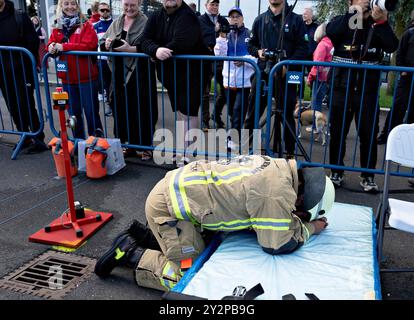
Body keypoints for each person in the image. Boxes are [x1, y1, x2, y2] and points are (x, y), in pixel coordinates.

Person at [95, 155, 335, 291]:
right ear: (304, 201)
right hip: (170, 213)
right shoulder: (274, 193)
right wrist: (312, 228)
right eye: (304, 212)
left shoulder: (279, 168)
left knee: (201, 248)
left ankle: (144, 235)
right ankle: (131, 253)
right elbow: (277, 243)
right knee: (189, 276)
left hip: (175, 199)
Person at [326, 0, 398, 192]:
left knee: (368, 134)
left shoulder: (376, 24)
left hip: (367, 91)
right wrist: (354, 13)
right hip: (342, 88)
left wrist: (382, 22)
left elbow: (392, 46)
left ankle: (368, 176)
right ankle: (336, 172)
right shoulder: (346, 20)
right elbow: (331, 32)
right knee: (338, 132)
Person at [140, 0, 208, 165]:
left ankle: (188, 155)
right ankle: (182, 151)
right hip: (172, 75)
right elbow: (145, 40)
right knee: (180, 113)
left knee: (188, 113)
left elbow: (181, 43)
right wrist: (156, 50)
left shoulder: (188, 16)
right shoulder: (157, 15)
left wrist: (157, 52)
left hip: (193, 73)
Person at [244, 0, 308, 157]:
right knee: (253, 111)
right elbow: (251, 45)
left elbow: (304, 48)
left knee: (286, 114)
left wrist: (288, 63)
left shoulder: (296, 20)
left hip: (286, 75)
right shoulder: (260, 19)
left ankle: (290, 153)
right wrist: (258, 52)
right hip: (263, 73)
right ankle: (247, 147)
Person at [101, 0, 158, 160]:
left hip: (141, 73)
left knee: (142, 110)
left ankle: (145, 147)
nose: (129, 8)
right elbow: (102, 43)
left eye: (132, 5)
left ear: (138, 4)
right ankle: (127, 145)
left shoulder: (146, 22)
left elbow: (150, 45)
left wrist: (129, 49)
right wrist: (105, 44)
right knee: (121, 110)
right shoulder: (117, 22)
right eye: (126, 5)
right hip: (119, 74)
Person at [48, 0, 103, 140]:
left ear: (77, 6)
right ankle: (78, 143)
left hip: (87, 78)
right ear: (61, 6)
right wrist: (51, 46)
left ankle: (95, 144)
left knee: (91, 113)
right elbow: (51, 41)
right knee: (73, 115)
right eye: (66, 4)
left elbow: (89, 45)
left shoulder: (86, 25)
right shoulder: (57, 25)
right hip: (67, 79)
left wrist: (64, 47)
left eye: (73, 3)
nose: (70, 7)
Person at [0, 0, 48, 153]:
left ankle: (37, 138)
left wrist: (22, 61)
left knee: (26, 103)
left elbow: (32, 42)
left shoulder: (19, 17)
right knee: (12, 106)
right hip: (2, 72)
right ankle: (24, 136)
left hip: (22, 70)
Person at [214, 7, 256, 134]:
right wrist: (221, 36)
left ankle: (233, 139)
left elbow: (256, 56)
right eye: (232, 17)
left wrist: (244, 60)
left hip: (245, 82)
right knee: (232, 111)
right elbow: (219, 55)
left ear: (242, 18)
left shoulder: (250, 34)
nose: (235, 19)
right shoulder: (226, 36)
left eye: (237, 16)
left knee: (238, 110)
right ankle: (237, 134)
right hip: (229, 82)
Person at [377, 10, 414, 145]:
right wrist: (402, 70)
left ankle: (408, 140)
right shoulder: (409, 33)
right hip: (407, 77)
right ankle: (386, 135)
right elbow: (399, 53)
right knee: (398, 106)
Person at [199, 0, 229, 130]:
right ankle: (204, 121)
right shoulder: (199, 20)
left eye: (217, 5)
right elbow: (198, 37)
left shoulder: (223, 20)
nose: (214, 7)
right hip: (205, 60)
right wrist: (214, 31)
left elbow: (227, 35)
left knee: (225, 91)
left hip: (220, 61)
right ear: (206, 5)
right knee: (204, 93)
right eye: (212, 4)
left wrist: (219, 32)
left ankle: (216, 114)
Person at [306, 23, 333, 112]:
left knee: (316, 102)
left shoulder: (322, 45)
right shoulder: (332, 43)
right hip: (330, 78)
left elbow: (317, 65)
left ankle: (315, 125)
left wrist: (310, 78)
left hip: (320, 78)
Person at [94, 2, 113, 108]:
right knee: (105, 84)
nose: (105, 12)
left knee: (114, 83)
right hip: (102, 60)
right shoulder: (95, 26)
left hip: (115, 59)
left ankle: (115, 104)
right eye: (102, 10)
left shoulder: (116, 23)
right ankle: (109, 105)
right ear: (98, 12)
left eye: (107, 10)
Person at [299, 7, 319, 100]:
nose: (304, 15)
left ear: (311, 15)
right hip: (302, 56)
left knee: (313, 77)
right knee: (300, 76)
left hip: (312, 57)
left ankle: (313, 95)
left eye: (306, 13)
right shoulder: (300, 25)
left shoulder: (316, 27)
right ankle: (300, 96)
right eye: (303, 13)